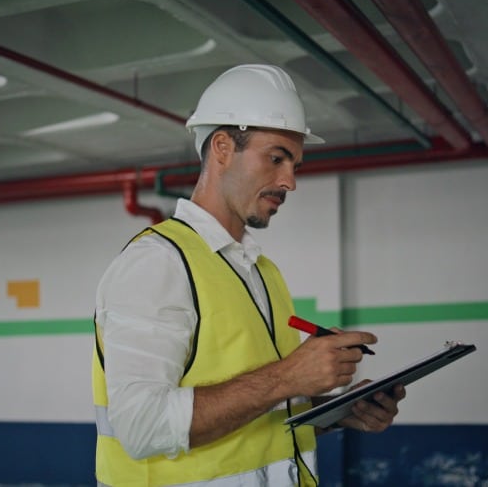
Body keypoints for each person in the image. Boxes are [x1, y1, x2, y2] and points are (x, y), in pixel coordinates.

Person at [92, 64, 406, 486]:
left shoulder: (260, 271)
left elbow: (256, 411)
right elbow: (142, 426)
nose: (289, 181)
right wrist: (290, 375)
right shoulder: (158, 263)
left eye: (294, 163)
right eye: (276, 158)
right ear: (222, 146)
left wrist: (333, 410)